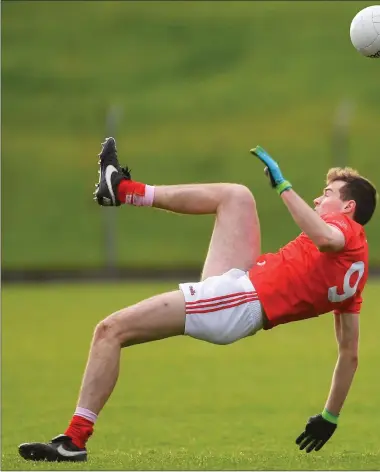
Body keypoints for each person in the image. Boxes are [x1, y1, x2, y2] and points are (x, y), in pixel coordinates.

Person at [19, 138, 377, 461]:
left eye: (327, 193)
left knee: (110, 330)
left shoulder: (345, 231)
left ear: (347, 208)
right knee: (236, 196)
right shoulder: (356, 268)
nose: (318, 198)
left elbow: (326, 239)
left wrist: (284, 187)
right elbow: (350, 353)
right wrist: (330, 416)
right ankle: (122, 190)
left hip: (236, 301)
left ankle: (73, 442)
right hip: (242, 286)